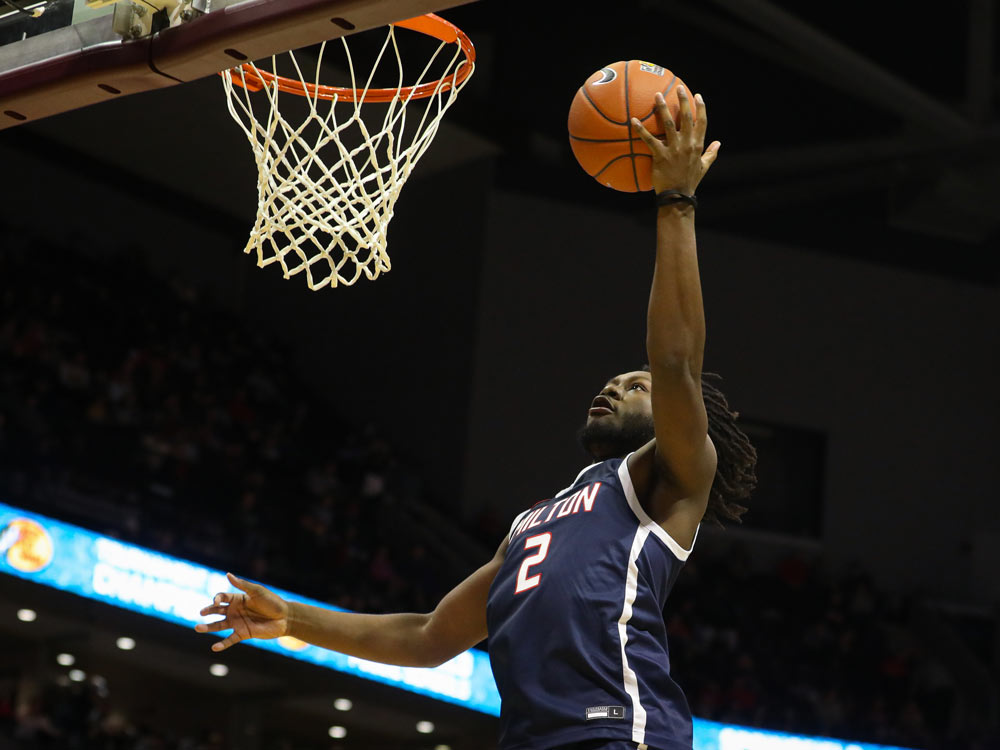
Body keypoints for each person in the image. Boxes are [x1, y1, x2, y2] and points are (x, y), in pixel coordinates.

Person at [195, 87, 757, 750]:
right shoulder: (534, 522)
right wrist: (294, 619)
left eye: (634, 388)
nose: (615, 385)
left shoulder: (672, 482)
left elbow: (674, 361)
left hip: (620, 737)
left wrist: (676, 200)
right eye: (617, 379)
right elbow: (429, 635)